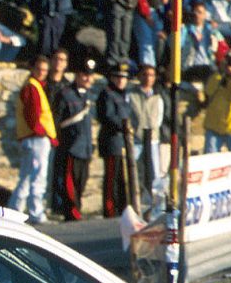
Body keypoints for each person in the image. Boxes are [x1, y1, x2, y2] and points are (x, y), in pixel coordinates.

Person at [9, 56, 57, 223]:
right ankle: (36, 212)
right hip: (37, 138)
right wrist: (43, 133)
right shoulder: (32, 88)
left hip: (31, 138)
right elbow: (33, 116)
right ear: (33, 69)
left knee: (27, 176)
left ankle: (15, 210)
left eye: (45, 70)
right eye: (39, 69)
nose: (42, 73)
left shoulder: (32, 86)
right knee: (38, 176)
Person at [50, 63, 96, 221]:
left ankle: (76, 208)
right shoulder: (65, 94)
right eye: (85, 75)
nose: (88, 79)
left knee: (81, 181)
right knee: (70, 182)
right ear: (77, 75)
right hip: (71, 146)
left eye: (90, 75)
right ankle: (72, 211)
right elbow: (58, 120)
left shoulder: (89, 95)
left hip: (85, 147)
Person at [95, 64, 134, 217]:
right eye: (117, 77)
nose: (121, 81)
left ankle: (122, 208)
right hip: (112, 140)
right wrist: (124, 126)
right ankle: (110, 210)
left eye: (123, 78)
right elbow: (108, 116)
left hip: (123, 141)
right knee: (112, 177)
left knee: (122, 178)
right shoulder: (107, 94)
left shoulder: (124, 95)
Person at [128, 65, 167, 207]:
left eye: (151, 75)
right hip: (136, 139)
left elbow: (159, 119)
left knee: (154, 173)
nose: (148, 78)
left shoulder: (158, 97)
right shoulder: (131, 95)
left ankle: (154, 204)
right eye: (144, 74)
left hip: (152, 140)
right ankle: (136, 203)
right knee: (135, 172)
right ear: (139, 76)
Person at [202, 53, 231, 153]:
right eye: (228, 60)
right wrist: (220, 73)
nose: (230, 64)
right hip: (214, 126)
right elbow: (208, 90)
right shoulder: (216, 75)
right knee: (209, 159)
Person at [180, 1, 228, 74]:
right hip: (189, 67)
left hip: (208, 66)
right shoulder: (185, 29)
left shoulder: (212, 31)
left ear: (205, 15)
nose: (196, 15)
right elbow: (178, 45)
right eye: (195, 12)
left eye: (200, 12)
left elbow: (223, 49)